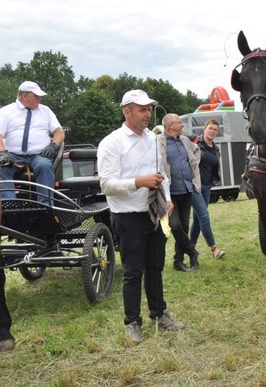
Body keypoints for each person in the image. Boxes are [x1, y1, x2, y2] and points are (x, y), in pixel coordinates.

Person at [97, 89, 182, 343]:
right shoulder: (112, 142)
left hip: (153, 213)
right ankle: (132, 322)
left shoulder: (154, 139)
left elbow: (161, 173)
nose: (147, 114)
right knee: (134, 271)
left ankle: (159, 313)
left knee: (155, 267)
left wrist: (166, 197)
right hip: (128, 216)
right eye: (141, 109)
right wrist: (138, 182)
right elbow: (106, 185)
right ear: (127, 112)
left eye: (148, 109)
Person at [0, 80, 65, 203]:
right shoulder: (6, 111)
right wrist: (2, 152)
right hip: (13, 156)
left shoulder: (46, 111)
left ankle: (46, 206)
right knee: (0, 169)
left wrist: (53, 145)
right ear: (24, 96)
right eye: (36, 96)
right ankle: (9, 204)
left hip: (39, 155)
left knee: (44, 166)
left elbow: (59, 132)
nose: (39, 99)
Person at [161, 113, 202, 271]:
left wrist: (194, 165)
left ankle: (178, 261)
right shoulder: (160, 142)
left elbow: (197, 151)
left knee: (184, 227)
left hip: (186, 190)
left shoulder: (184, 140)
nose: (182, 125)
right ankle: (192, 251)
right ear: (171, 125)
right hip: (169, 194)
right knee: (175, 226)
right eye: (179, 123)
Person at [190, 118, 226, 260]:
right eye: (210, 128)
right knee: (204, 216)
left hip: (206, 187)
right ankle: (215, 249)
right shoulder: (195, 143)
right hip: (194, 186)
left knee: (198, 220)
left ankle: (190, 248)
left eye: (215, 130)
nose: (212, 131)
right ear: (204, 129)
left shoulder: (215, 148)